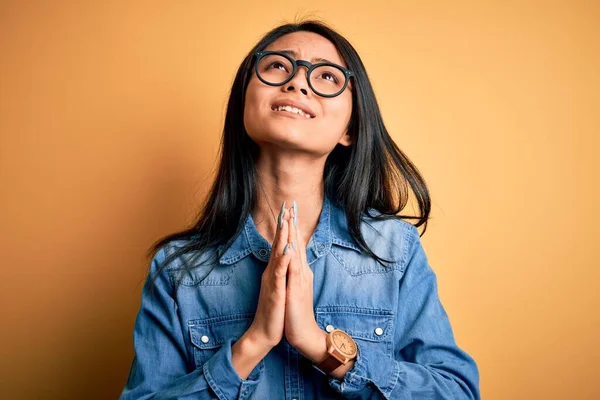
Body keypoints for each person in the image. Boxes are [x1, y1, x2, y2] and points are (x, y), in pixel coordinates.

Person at [119, 20, 480, 400]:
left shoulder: (394, 249)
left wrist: (319, 345)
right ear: (245, 101)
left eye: (327, 76)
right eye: (278, 65)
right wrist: (253, 343)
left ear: (350, 129)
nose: (298, 82)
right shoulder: (178, 269)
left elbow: (455, 392)